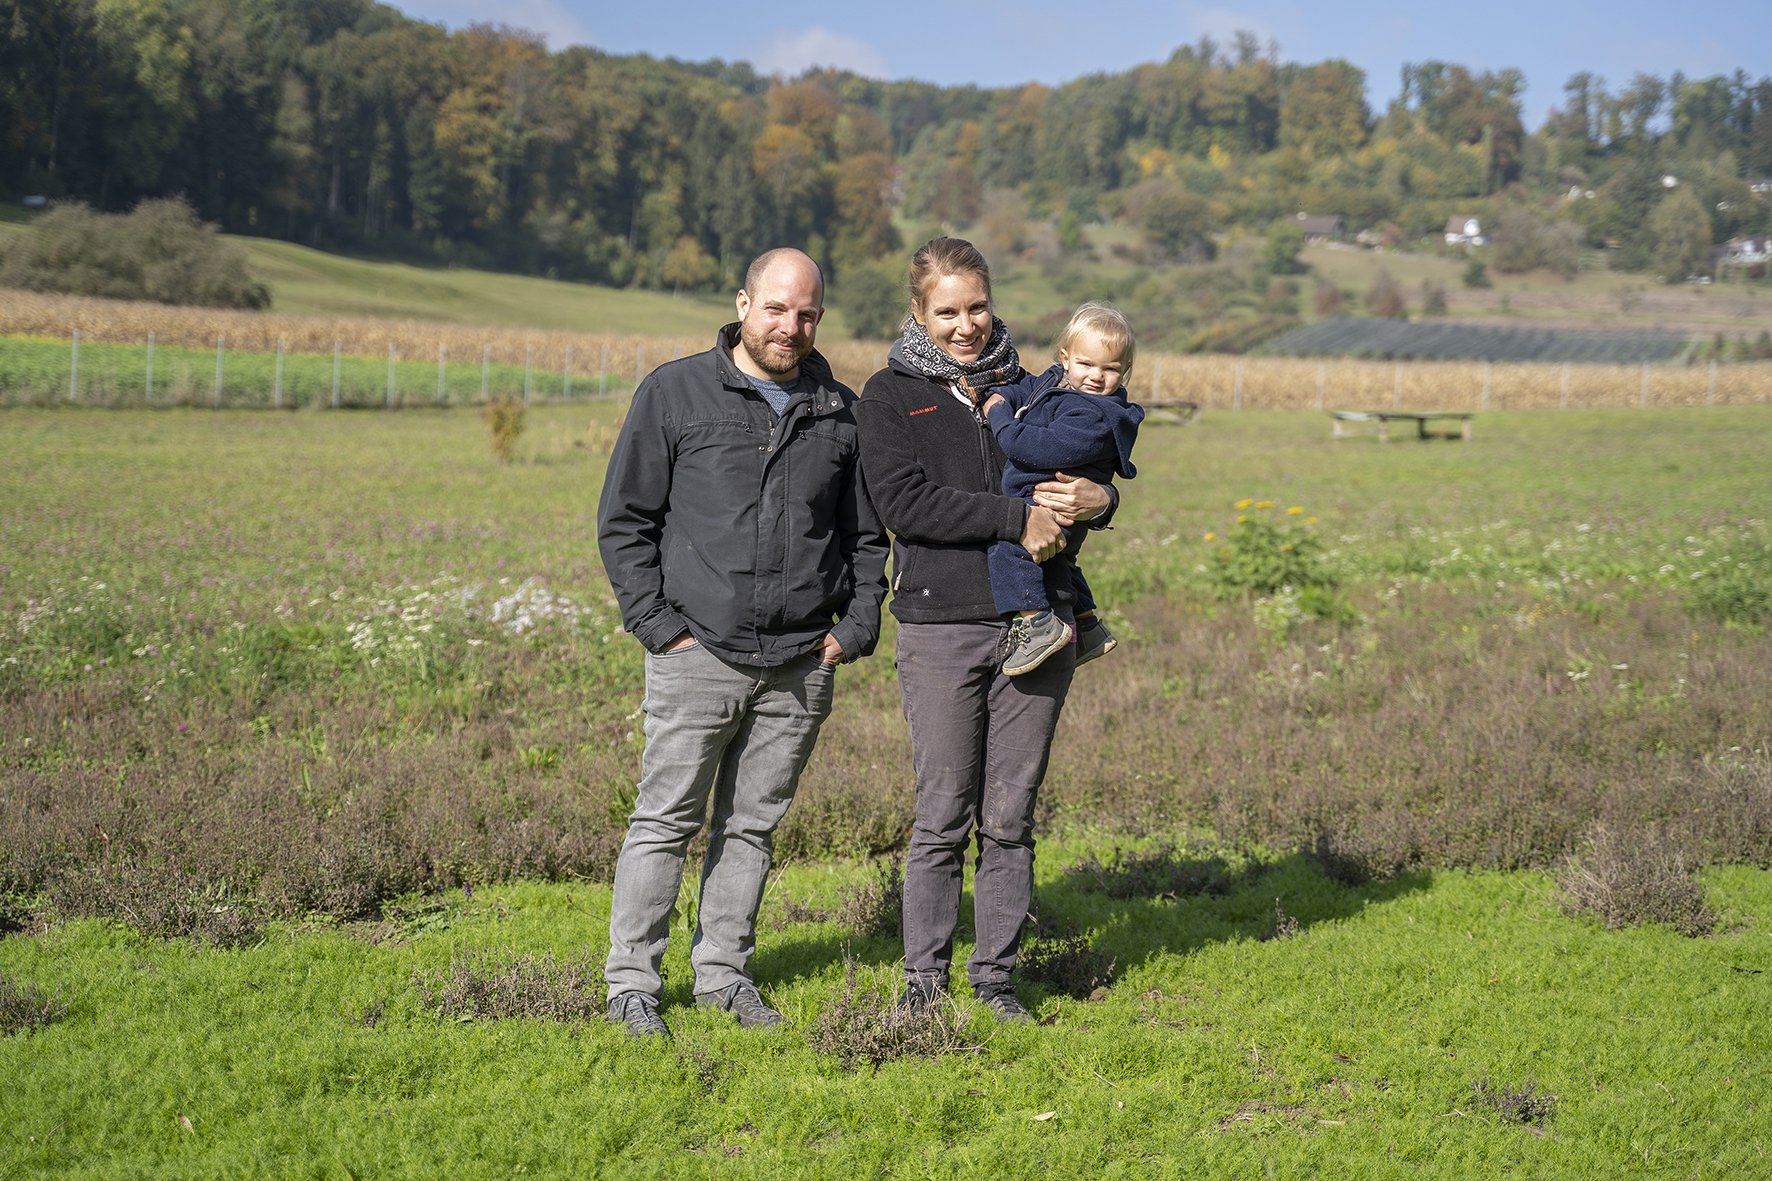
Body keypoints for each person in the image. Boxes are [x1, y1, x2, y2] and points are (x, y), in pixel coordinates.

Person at [596, 247, 889, 1039]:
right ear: (743, 303)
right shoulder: (675, 391)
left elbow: (866, 540)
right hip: (699, 652)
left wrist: (853, 633)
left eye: (807, 315)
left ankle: (723, 977)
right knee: (664, 820)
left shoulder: (841, 410)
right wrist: (663, 630)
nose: (790, 327)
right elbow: (625, 521)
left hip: (801, 662)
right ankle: (632, 985)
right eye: (776, 309)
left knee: (751, 828)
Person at [854, 237, 1116, 1023]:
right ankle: (923, 982)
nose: (965, 325)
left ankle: (995, 979)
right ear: (917, 312)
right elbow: (907, 504)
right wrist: (1018, 516)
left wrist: (1104, 502)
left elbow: (1081, 466)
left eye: (976, 307)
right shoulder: (889, 395)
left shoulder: (1034, 384)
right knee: (941, 815)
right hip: (939, 628)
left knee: (1010, 817)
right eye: (946, 311)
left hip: (1039, 626)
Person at [981, 302, 1143, 676]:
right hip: (1044, 497)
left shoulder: (1094, 416)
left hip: (1052, 502)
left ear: (1125, 372)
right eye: (1086, 364)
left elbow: (1027, 447)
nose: (1096, 377)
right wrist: (1006, 392)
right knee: (1061, 562)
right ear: (1066, 358)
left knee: (1009, 546)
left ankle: (1036, 623)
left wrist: (998, 413)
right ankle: (1086, 626)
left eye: (1111, 369)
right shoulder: (1059, 382)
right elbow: (1033, 390)